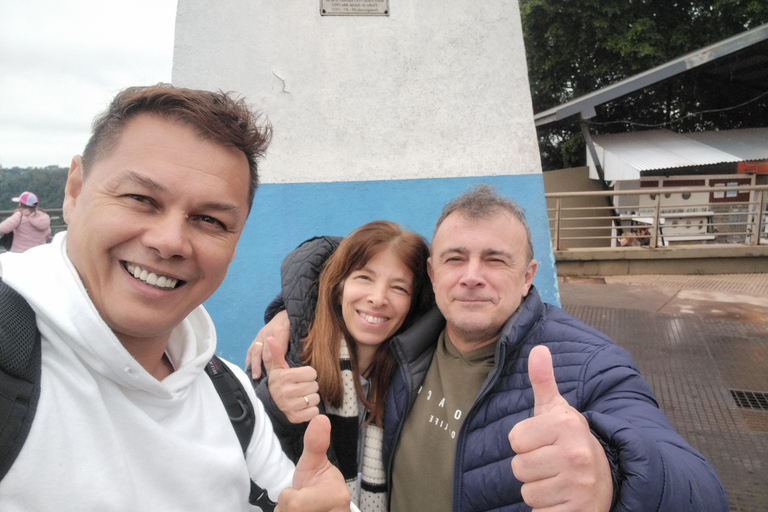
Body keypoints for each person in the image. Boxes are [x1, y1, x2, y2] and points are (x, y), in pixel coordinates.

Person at [247, 184, 728, 511]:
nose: (472, 276)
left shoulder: (586, 363)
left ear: (528, 277)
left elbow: (701, 490)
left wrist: (615, 475)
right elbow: (346, 259)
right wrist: (290, 312)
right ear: (433, 275)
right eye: (456, 258)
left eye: (495, 259)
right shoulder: (409, 335)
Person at [0, 84, 353, 512]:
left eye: (209, 220)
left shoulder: (230, 395)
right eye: (140, 199)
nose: (170, 242)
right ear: (74, 190)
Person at [252, 221, 433, 511]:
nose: (377, 298)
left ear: (414, 304)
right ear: (339, 287)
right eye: (364, 277)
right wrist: (274, 406)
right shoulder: (284, 359)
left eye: (399, 287)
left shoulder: (421, 374)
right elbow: (240, 455)